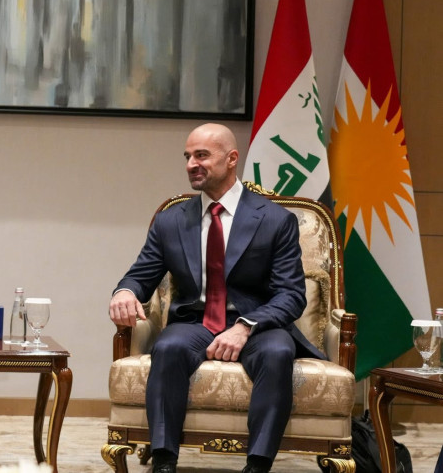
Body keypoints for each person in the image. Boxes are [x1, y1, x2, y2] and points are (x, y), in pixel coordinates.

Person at [108, 123, 326, 473]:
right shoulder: (170, 221)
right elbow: (140, 274)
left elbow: (291, 295)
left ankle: (258, 464)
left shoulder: (275, 220)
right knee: (168, 347)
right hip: (195, 322)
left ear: (231, 158)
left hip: (258, 325)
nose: (191, 164)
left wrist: (245, 326)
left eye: (202, 155)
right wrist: (125, 292)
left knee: (278, 352)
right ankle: (163, 460)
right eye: (187, 156)